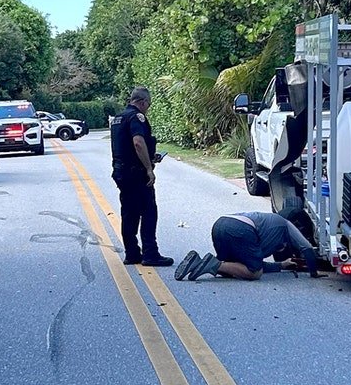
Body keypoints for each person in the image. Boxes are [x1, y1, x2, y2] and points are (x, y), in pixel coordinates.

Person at [110, 86, 172, 267]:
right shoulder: (137, 117)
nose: (148, 108)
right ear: (143, 102)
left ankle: (132, 253)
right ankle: (150, 254)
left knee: (129, 212)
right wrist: (149, 169)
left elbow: (126, 146)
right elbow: (137, 142)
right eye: (148, 105)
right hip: (136, 173)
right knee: (148, 211)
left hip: (121, 171)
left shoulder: (117, 119)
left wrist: (152, 156)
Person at [175, 212, 321, 281]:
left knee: (234, 269)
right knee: (254, 273)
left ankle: (198, 263)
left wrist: (281, 265)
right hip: (240, 229)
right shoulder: (286, 225)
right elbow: (306, 248)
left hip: (220, 224)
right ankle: (214, 264)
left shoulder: (268, 224)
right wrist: (314, 273)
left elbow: (250, 263)